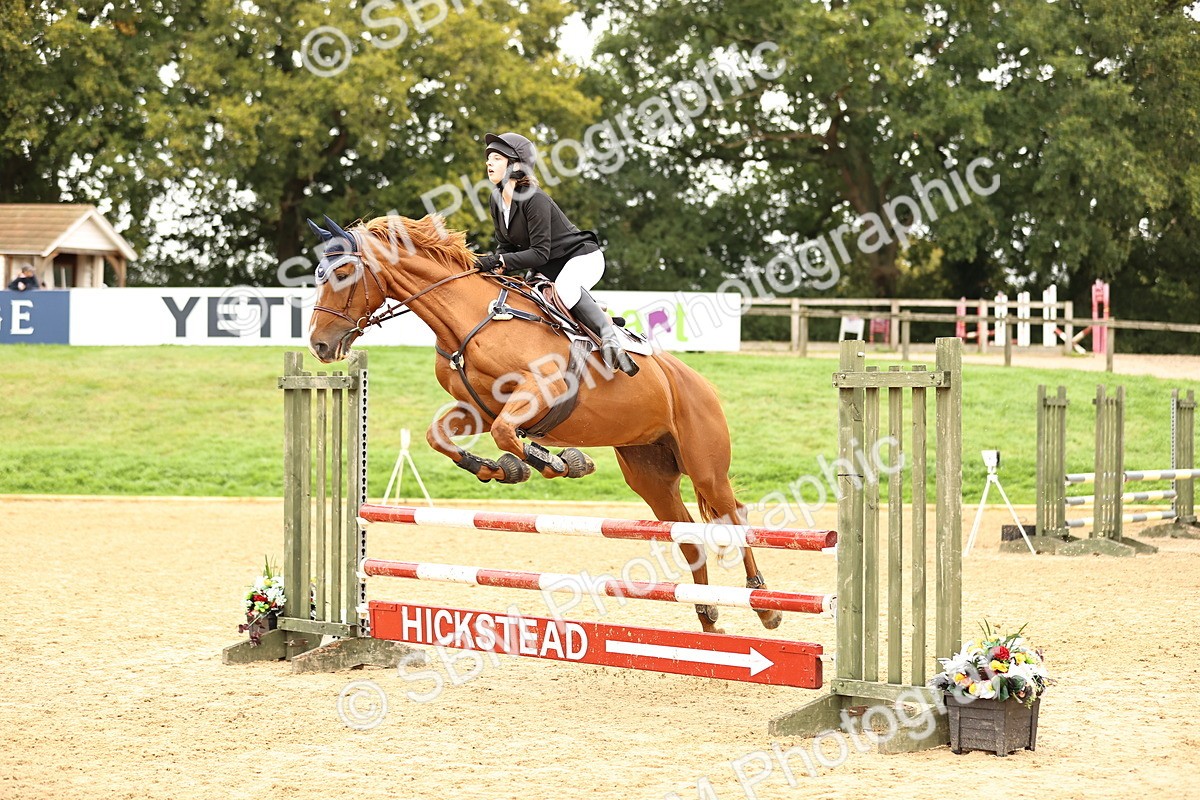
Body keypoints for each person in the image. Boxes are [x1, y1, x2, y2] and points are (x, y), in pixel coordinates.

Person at [476, 131, 638, 377]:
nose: (489, 162)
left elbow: (540, 253)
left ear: (515, 165)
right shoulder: (496, 199)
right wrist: (493, 265)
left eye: (497, 158)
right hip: (548, 268)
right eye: (489, 158)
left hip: (582, 258)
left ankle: (610, 340)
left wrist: (501, 260)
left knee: (565, 288)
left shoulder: (534, 198)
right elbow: (505, 246)